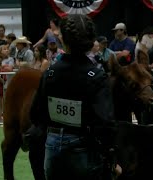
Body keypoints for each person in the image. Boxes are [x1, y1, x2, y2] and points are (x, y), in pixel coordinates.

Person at [29, 14, 120, 179]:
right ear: (91, 42)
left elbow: (36, 114)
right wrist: (112, 156)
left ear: (62, 39)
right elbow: (106, 123)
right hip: (83, 149)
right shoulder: (96, 76)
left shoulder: (50, 73)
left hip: (53, 148)